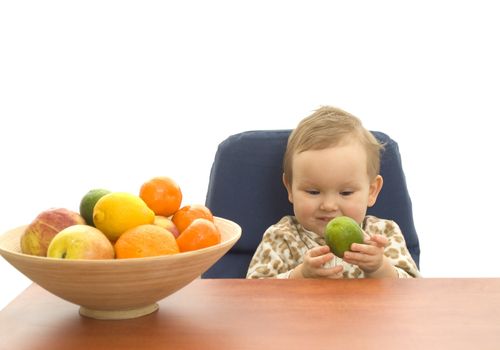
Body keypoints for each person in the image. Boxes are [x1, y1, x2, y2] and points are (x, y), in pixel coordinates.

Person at [246, 106, 420, 279]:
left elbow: (413, 292)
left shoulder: (383, 234)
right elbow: (252, 294)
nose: (328, 206)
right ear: (290, 189)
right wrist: (300, 276)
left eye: (345, 193)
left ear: (372, 191)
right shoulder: (281, 237)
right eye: (313, 192)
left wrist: (379, 267)